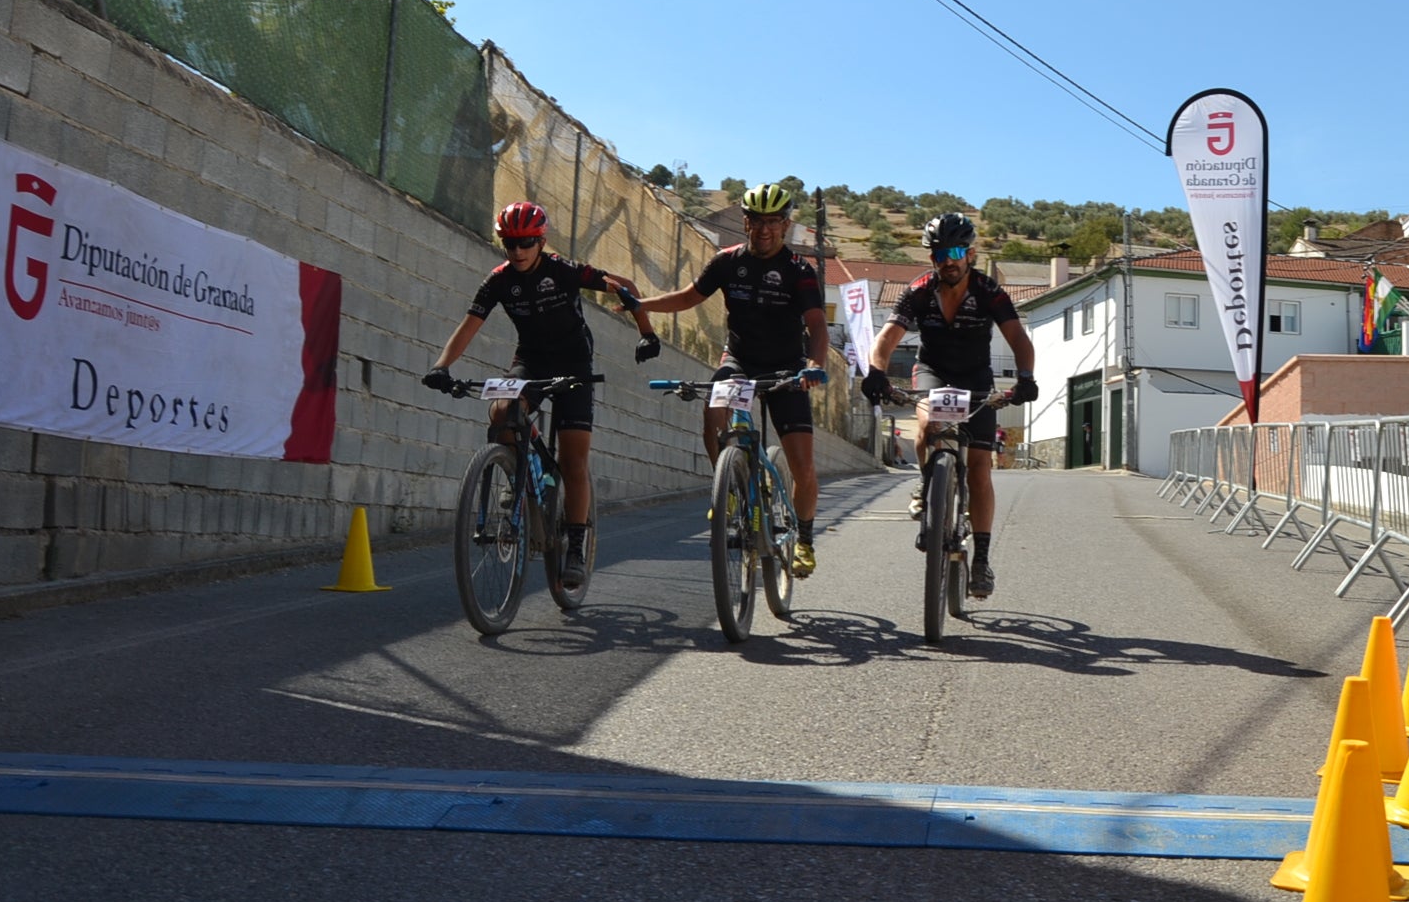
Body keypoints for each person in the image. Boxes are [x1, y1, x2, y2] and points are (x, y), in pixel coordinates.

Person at [424, 201, 660, 592]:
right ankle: (522, 470)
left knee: (573, 460)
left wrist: (647, 333)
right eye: (509, 243)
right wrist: (441, 366)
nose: (517, 251)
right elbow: (469, 325)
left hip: (574, 363)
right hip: (531, 360)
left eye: (526, 243)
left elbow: (626, 287)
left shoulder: (563, 270)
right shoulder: (499, 280)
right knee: (502, 415)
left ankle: (575, 549)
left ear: (541, 241)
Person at [638, 184, 830, 575]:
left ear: (785, 225)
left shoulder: (799, 271)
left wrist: (813, 365)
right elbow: (688, 298)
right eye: (757, 221)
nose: (764, 230)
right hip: (740, 360)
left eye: (773, 222)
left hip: (788, 368)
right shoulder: (726, 262)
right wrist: (641, 305)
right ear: (746, 222)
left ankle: (805, 540)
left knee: (804, 466)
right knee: (714, 409)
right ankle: (727, 487)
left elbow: (817, 325)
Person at [861, 213, 1037, 599]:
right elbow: (887, 339)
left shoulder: (989, 291)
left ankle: (982, 561)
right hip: (933, 372)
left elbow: (1018, 338)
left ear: (971, 254)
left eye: (956, 252)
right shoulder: (920, 290)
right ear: (932, 257)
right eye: (940, 253)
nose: (949, 260)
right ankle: (928, 487)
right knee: (925, 427)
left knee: (978, 468)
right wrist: (876, 371)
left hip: (976, 378)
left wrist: (1025, 377)